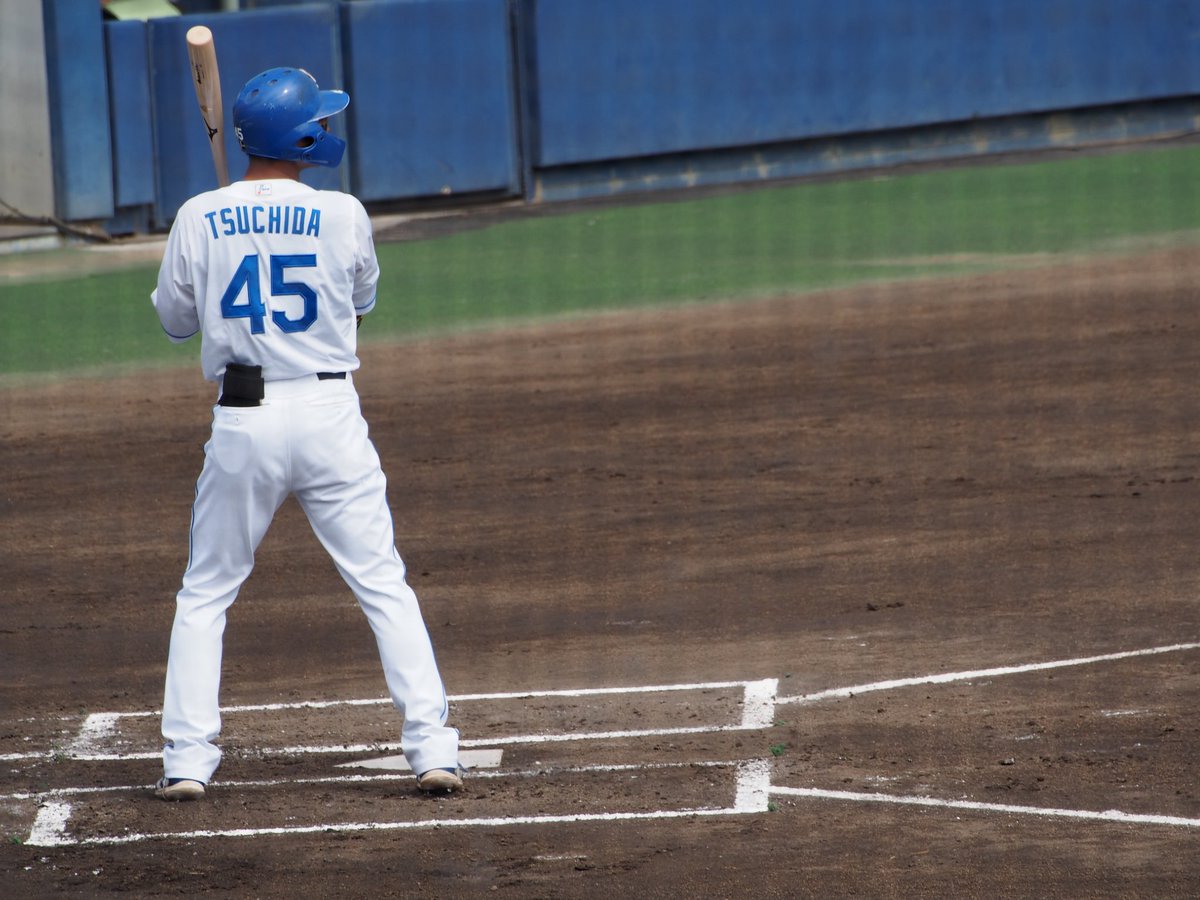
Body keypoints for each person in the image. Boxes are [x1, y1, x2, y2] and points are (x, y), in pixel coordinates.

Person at [150, 67, 462, 800]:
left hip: (243, 422)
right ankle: (433, 748)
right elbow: (362, 301)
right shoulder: (344, 213)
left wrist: (224, 241)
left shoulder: (199, 214)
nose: (325, 129)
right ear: (299, 137)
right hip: (329, 419)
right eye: (316, 121)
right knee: (383, 582)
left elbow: (174, 321)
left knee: (205, 593)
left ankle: (187, 762)